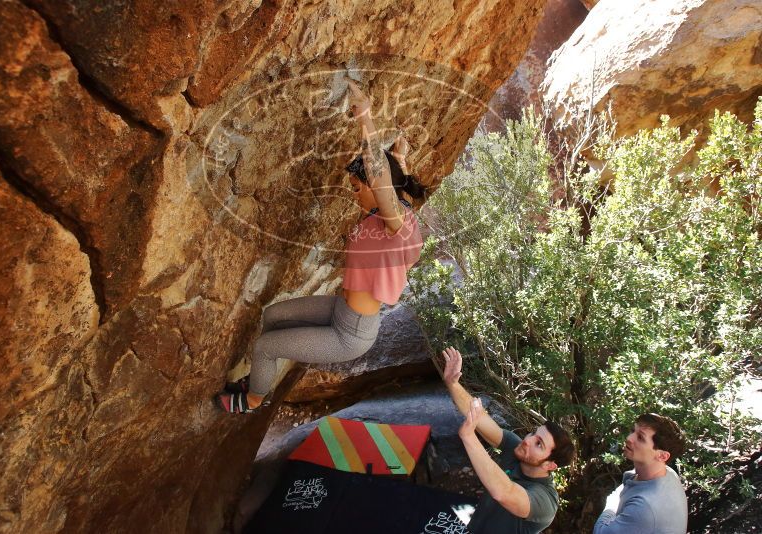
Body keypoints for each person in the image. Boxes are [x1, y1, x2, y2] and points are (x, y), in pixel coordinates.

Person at [215, 80, 426, 413]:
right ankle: (260, 377)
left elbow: (382, 178)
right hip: (340, 310)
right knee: (272, 316)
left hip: (351, 335)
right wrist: (401, 158)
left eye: (357, 187)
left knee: (267, 346)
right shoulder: (401, 212)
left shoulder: (395, 225)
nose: (354, 194)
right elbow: (396, 183)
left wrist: (366, 117)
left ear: (376, 186)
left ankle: (254, 399)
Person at [443, 346, 576, 534]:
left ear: (550, 465)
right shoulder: (516, 448)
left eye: (539, 444)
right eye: (533, 434)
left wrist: (468, 437)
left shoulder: (545, 501)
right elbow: (479, 417)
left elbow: (504, 493)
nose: (528, 441)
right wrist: (452, 383)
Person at [593, 413, 687, 534]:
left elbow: (600, 531)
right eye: (633, 431)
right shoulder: (669, 473)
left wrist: (613, 502)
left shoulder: (644, 507)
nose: (629, 438)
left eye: (640, 437)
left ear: (662, 455)